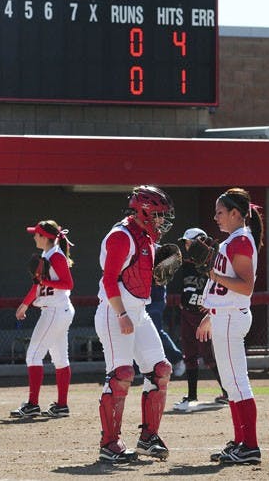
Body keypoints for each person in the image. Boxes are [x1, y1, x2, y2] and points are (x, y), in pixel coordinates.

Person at [95, 185, 175, 463]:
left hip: (137, 311)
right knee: (121, 374)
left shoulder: (145, 236)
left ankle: (148, 438)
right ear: (143, 212)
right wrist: (121, 314)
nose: (162, 220)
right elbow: (109, 280)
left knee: (160, 369)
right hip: (114, 310)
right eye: (158, 215)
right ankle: (109, 443)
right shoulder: (121, 236)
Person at [196, 188, 264, 465]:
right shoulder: (234, 240)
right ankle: (240, 442)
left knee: (237, 384)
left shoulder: (241, 241)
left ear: (236, 214)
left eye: (221, 212)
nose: (216, 217)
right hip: (224, 316)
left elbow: (246, 288)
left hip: (232, 317)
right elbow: (225, 288)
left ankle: (250, 445)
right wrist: (210, 313)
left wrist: (211, 272)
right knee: (231, 384)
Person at [10, 220, 75, 418]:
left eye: (37, 234)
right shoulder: (47, 254)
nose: (34, 237)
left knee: (33, 355)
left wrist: (42, 281)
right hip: (57, 310)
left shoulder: (55, 255)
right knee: (60, 359)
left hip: (55, 310)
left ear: (45, 237)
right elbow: (37, 286)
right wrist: (25, 304)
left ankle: (32, 405)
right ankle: (61, 406)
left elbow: (68, 284)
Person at [173, 228, 228, 412]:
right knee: (189, 353)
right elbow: (186, 285)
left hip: (203, 315)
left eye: (189, 242)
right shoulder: (187, 262)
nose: (187, 246)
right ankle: (192, 395)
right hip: (187, 312)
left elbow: (220, 284)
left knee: (209, 354)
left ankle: (228, 392)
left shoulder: (213, 261)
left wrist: (212, 304)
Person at [146, 283, 185, 377]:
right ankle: (137, 368)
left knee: (155, 331)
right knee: (138, 333)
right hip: (137, 297)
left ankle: (177, 359)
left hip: (155, 296)